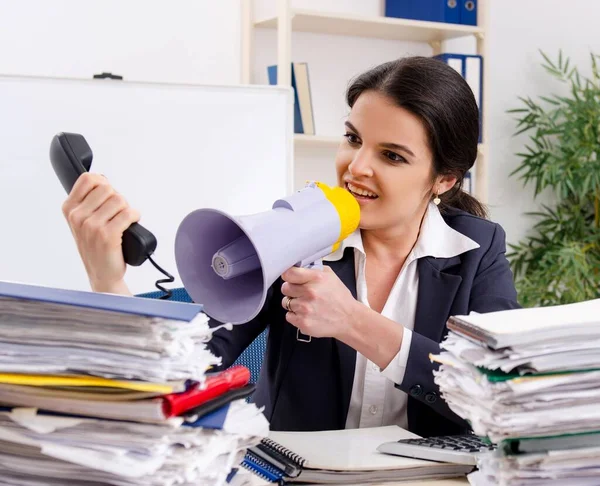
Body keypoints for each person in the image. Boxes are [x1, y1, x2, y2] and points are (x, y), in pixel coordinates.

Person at [61, 56, 519, 438]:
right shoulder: (292, 233)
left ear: (444, 179)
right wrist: (108, 279)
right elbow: (178, 370)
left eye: (392, 156)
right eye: (354, 139)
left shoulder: (478, 249)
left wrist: (356, 323)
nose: (356, 167)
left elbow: (499, 397)